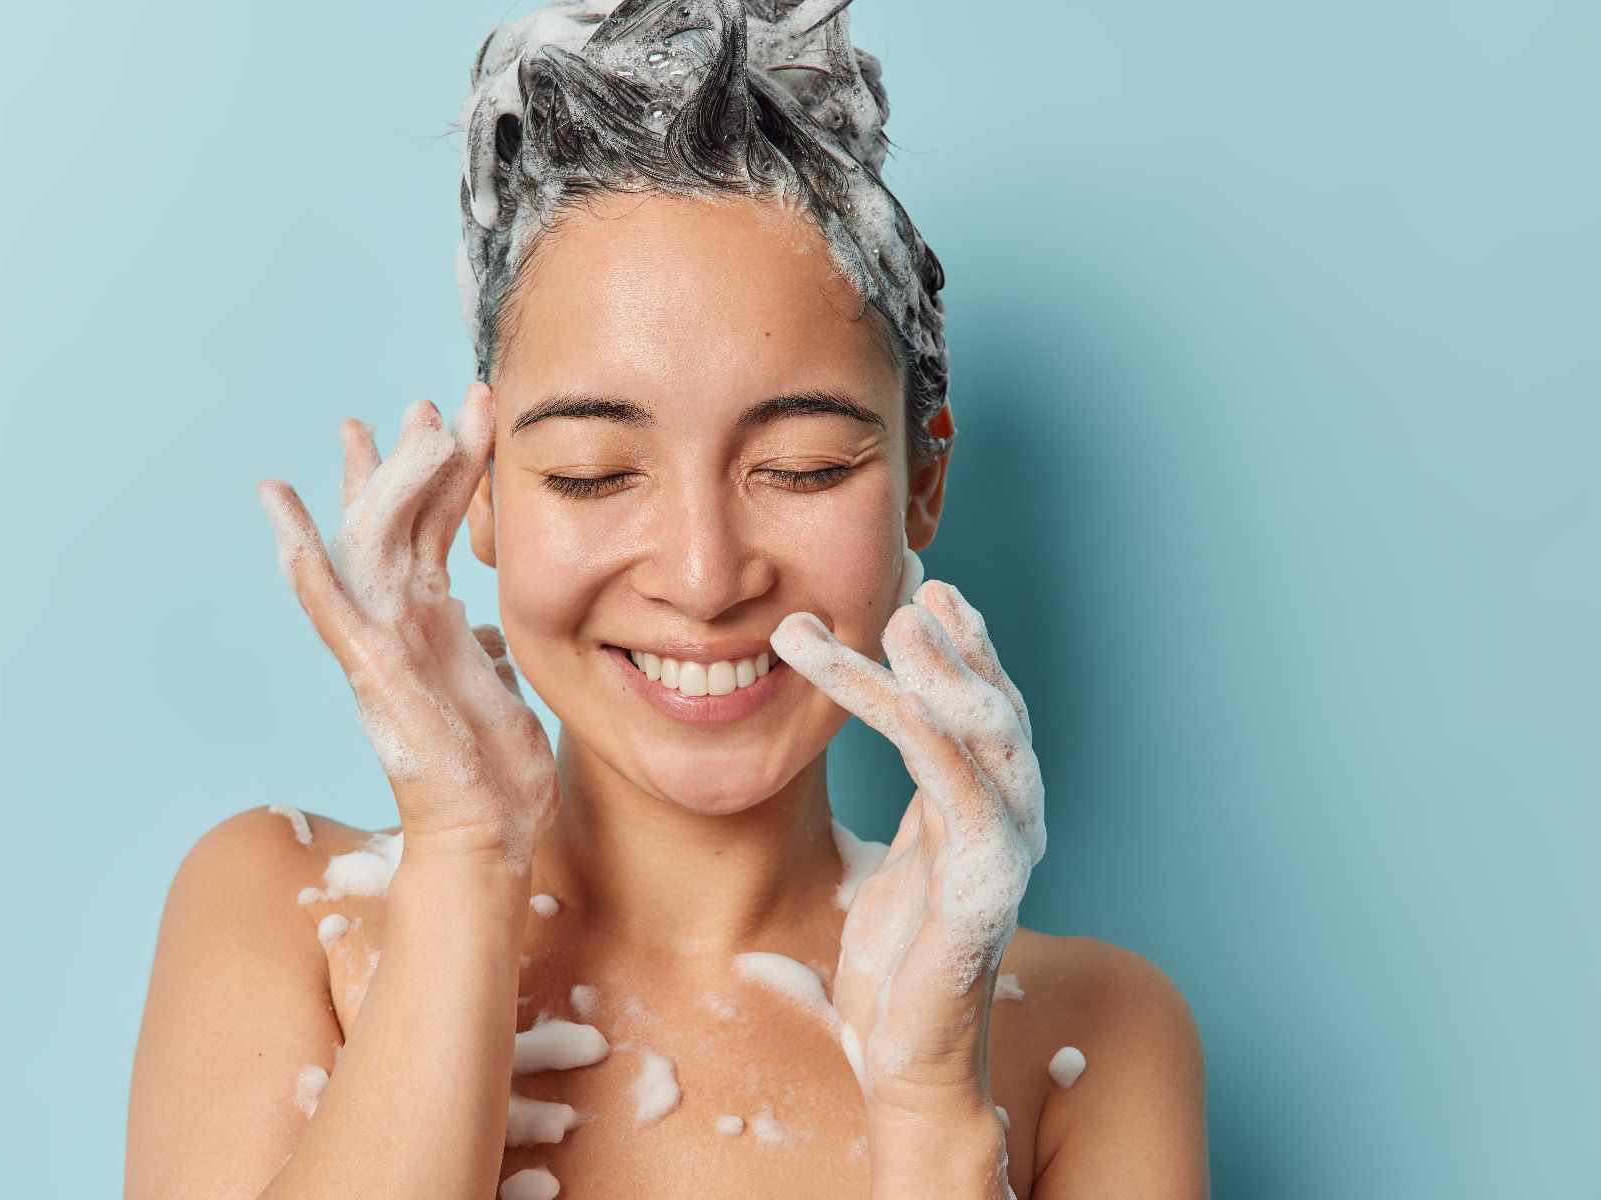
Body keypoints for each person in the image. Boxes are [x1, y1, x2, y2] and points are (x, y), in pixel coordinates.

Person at [124, 2, 1208, 1196]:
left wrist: (925, 1105)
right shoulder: (289, 919)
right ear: (477, 491)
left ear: (922, 483)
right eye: (594, 473)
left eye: (801, 468)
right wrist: (463, 866)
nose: (702, 578)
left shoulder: (1088, 1038)